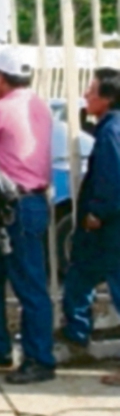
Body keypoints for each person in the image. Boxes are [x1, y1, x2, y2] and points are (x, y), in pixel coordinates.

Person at [0, 50, 57, 384]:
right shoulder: (39, 106)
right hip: (34, 202)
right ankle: (10, 351)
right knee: (16, 279)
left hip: (11, 208)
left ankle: (29, 357)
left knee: (6, 282)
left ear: (2, 79)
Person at [63, 71, 120, 383]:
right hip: (104, 229)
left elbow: (114, 176)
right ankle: (76, 332)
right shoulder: (108, 128)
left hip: (109, 226)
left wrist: (98, 210)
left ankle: (77, 331)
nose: (86, 95)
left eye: (92, 90)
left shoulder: (111, 131)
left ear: (108, 97)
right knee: (80, 275)